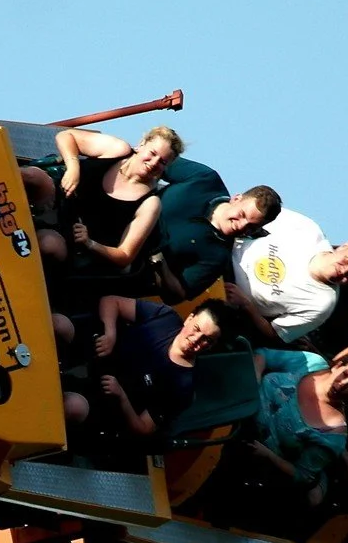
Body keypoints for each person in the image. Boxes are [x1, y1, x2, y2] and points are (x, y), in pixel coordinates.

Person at [57, 298, 234, 441]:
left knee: (72, 407)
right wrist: (110, 334)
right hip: (96, 349)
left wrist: (121, 397)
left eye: (206, 339)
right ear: (189, 318)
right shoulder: (165, 316)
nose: (196, 339)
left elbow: (143, 428)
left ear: (211, 346)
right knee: (59, 324)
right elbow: (111, 302)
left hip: (104, 397)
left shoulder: (184, 387)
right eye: (196, 329)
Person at [26, 126, 181, 272]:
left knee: (48, 245)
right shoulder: (118, 149)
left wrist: (90, 243)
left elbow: (125, 256)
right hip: (54, 199)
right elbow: (66, 135)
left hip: (69, 237)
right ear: (141, 145)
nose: (153, 163)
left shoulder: (150, 203)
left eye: (162, 162)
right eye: (152, 153)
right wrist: (73, 167)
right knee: (32, 176)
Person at [247, 351, 348, 507]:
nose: (343, 384)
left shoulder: (334, 434)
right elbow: (263, 354)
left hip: (248, 449)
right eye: (345, 374)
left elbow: (303, 475)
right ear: (338, 366)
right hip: (235, 405)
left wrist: (268, 456)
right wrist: (255, 379)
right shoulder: (312, 363)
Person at [230, 212, 348, 343]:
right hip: (226, 250)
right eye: (347, 261)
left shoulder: (321, 304)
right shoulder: (308, 230)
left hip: (230, 298)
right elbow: (256, 214)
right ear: (344, 246)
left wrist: (246, 304)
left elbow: (275, 334)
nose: (344, 271)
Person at [146, 157, 281, 303]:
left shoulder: (217, 257)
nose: (241, 226)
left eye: (251, 227)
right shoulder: (205, 179)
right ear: (236, 199)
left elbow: (177, 295)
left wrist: (160, 265)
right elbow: (153, 160)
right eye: (242, 215)